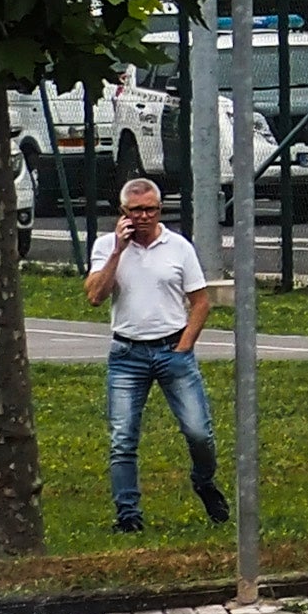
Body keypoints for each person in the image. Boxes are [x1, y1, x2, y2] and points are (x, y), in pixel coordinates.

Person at [83, 179, 224, 534]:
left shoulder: (177, 247)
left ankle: (204, 481)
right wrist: (118, 250)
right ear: (123, 213)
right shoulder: (106, 247)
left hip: (172, 349)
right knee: (122, 438)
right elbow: (96, 296)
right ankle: (128, 515)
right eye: (136, 211)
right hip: (127, 352)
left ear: (160, 211)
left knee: (198, 432)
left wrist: (184, 347)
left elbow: (201, 301)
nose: (144, 217)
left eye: (151, 210)